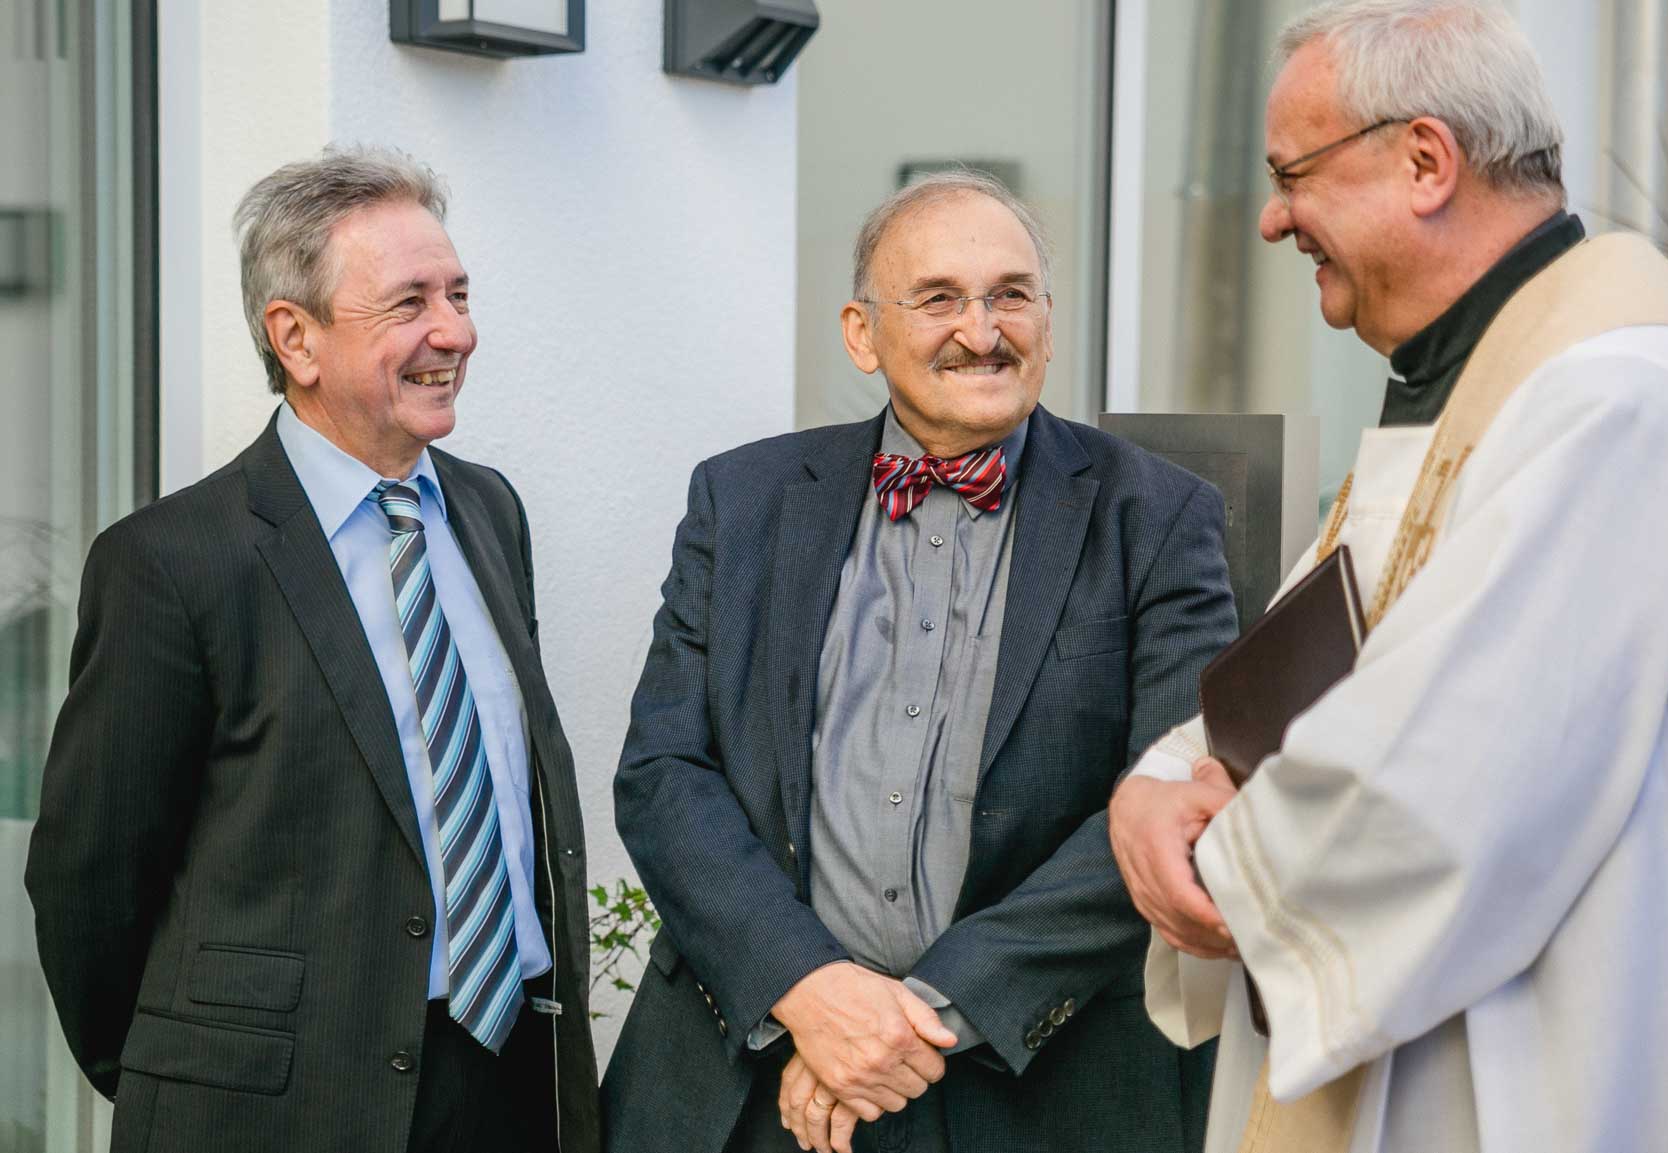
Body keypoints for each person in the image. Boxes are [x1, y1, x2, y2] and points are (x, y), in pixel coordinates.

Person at [1107, 3, 1668, 1151]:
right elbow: (1315, 668)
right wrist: (1158, 783)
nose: (1271, 216)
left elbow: (1439, 781)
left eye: (1292, 173)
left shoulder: (1613, 398)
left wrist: (1203, 855)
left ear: (1425, 160)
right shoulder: (1475, 389)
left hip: (1533, 1074)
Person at [603, 171, 1238, 1153]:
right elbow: (664, 770)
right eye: (939, 297)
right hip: (753, 1082)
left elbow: (1168, 792)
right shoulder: (744, 501)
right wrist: (806, 988)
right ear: (860, 332)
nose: (980, 331)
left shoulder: (1156, 519)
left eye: (1010, 294)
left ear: (1046, 317)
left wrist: (924, 1014)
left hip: (1034, 1086)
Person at [25, 147, 600, 1153]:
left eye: (459, 293)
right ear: (295, 336)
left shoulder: (486, 510)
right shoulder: (173, 564)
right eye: (411, 302)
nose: (455, 331)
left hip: (510, 1079)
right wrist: (196, 1074)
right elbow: (91, 883)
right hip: (280, 1110)